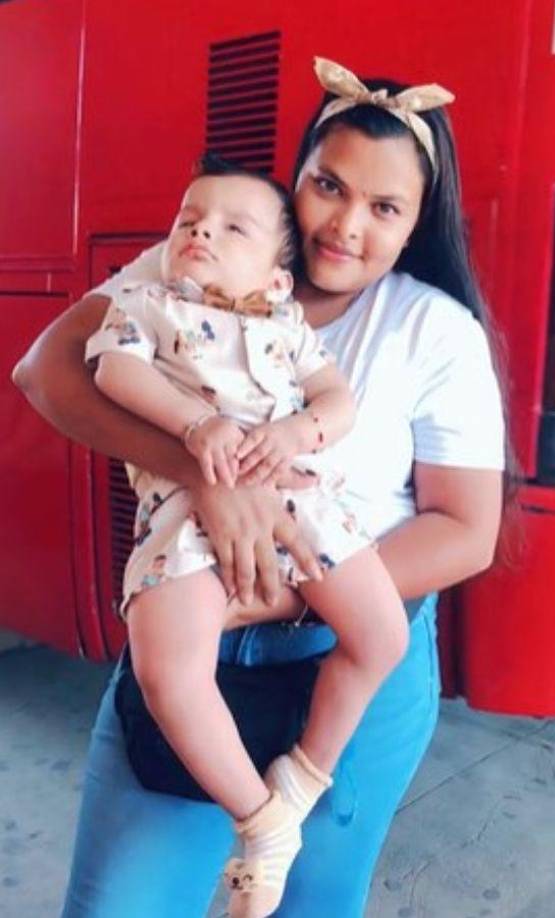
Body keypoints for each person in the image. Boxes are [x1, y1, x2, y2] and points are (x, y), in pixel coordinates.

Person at [14, 57, 506, 916]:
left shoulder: (434, 329)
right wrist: (206, 477)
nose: (346, 225)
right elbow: (45, 371)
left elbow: (466, 529)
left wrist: (283, 590)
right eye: (328, 185)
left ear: (417, 222)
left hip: (349, 660)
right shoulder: (191, 266)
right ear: (297, 177)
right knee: (116, 905)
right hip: (193, 649)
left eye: (385, 208)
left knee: (313, 904)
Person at [85, 155, 414, 915]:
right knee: (166, 669)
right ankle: (261, 821)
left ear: (274, 275)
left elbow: (337, 398)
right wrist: (196, 424)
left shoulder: (286, 322)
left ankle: (302, 776)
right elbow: (112, 375)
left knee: (381, 634)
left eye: (234, 227)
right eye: (188, 219)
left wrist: (303, 427)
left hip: (301, 503)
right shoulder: (146, 300)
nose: (202, 231)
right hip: (186, 517)